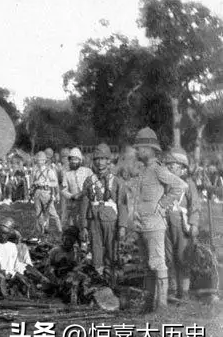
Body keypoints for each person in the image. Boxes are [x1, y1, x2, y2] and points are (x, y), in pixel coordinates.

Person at [130, 127, 185, 313]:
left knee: (158, 263)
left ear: (148, 149)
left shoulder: (158, 169)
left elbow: (179, 185)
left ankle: (161, 306)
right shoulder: (143, 170)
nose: (137, 151)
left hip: (154, 225)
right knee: (147, 266)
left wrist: (162, 204)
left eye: (139, 148)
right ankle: (148, 304)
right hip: (142, 225)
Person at [81, 143, 128, 276]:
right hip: (94, 221)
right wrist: (83, 226)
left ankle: (111, 278)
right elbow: (84, 204)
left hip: (111, 221)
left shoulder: (117, 181)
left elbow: (123, 205)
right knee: (95, 251)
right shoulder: (89, 181)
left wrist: (122, 226)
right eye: (97, 159)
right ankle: (98, 277)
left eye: (103, 159)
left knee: (112, 251)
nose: (100, 163)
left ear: (108, 161)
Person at [163, 148, 200, 300]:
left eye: (173, 165)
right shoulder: (165, 183)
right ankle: (172, 289)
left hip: (181, 223)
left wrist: (194, 224)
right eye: (168, 165)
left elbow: (195, 206)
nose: (169, 168)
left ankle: (184, 291)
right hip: (165, 223)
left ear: (182, 168)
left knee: (183, 256)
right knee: (168, 256)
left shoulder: (188, 184)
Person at [60, 148, 94, 229]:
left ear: (80, 160)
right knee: (75, 222)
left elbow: (94, 184)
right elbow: (63, 190)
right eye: (72, 159)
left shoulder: (87, 171)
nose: (73, 162)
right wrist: (71, 196)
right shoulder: (67, 174)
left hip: (87, 201)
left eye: (76, 159)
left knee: (87, 221)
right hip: (74, 202)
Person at [31, 152, 61, 237]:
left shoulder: (49, 171)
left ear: (44, 161)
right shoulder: (36, 171)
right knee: (38, 213)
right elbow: (32, 182)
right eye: (38, 160)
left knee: (51, 212)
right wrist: (35, 184)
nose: (39, 162)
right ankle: (42, 230)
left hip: (46, 192)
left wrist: (46, 183)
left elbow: (55, 183)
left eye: (41, 160)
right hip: (37, 193)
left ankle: (59, 230)